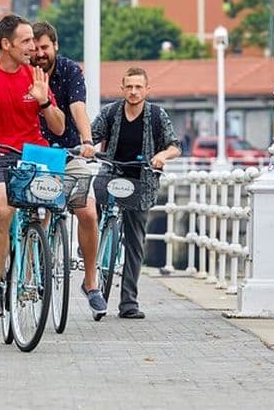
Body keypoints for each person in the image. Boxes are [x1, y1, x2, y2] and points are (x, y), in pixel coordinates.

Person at [0, 14, 65, 316]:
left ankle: (34, 258)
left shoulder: (36, 75)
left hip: (35, 152)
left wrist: (44, 102)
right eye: (26, 41)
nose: (33, 47)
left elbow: (58, 127)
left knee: (51, 202)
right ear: (6, 44)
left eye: (34, 40)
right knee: (3, 209)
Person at [31, 20, 107, 318]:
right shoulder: (23, 72)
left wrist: (87, 141)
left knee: (87, 212)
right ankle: (32, 269)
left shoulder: (70, 70)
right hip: (37, 153)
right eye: (35, 48)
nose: (40, 53)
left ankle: (90, 282)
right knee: (37, 211)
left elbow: (78, 107)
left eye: (45, 47)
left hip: (70, 150)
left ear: (55, 46)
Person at [91, 67, 180, 319]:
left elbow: (175, 146)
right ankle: (93, 240)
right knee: (94, 194)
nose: (133, 91)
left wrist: (162, 155)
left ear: (147, 89)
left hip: (141, 179)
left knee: (135, 241)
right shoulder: (110, 112)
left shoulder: (156, 115)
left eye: (138, 87)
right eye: (129, 87)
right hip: (112, 172)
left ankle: (128, 302)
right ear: (122, 89)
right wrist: (86, 146)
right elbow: (91, 135)